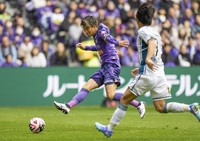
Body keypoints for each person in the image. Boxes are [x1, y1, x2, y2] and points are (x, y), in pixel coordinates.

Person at [95, 2, 200, 138]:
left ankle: (109, 129)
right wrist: (142, 66)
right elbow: (155, 48)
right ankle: (190, 107)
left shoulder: (143, 30)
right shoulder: (155, 30)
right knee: (160, 107)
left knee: (124, 100)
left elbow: (152, 43)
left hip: (149, 73)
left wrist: (147, 60)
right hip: (159, 73)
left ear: (137, 18)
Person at [53, 15, 146, 119]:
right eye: (84, 29)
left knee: (110, 95)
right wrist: (86, 48)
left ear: (94, 26)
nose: (86, 31)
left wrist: (118, 42)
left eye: (87, 28)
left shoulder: (101, 30)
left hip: (112, 65)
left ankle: (139, 104)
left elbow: (107, 37)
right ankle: (68, 106)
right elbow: (98, 47)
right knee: (87, 86)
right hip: (105, 67)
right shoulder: (96, 36)